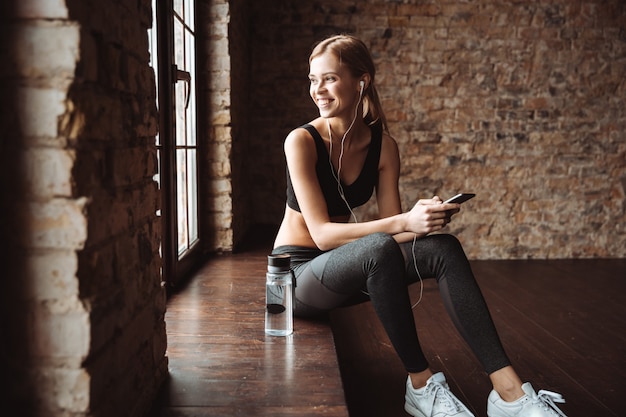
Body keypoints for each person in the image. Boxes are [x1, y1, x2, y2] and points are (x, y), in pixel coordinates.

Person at [271, 34, 567, 417]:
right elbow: (324, 236)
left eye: (328, 78)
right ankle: (420, 385)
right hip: (296, 278)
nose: (318, 90)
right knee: (377, 247)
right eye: (313, 80)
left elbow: (399, 237)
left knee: (443, 248)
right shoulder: (301, 141)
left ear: (362, 81)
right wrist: (402, 220)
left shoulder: (384, 147)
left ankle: (508, 392)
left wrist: (425, 220)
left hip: (352, 264)